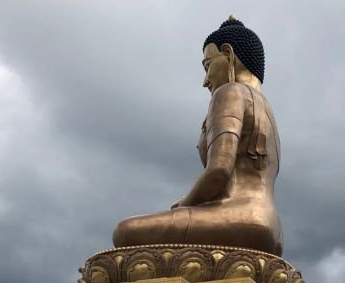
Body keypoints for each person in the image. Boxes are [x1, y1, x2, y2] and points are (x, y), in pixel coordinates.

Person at [112, 17, 283, 257]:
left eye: (207, 65)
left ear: (228, 54)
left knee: (124, 232)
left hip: (240, 217)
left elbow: (218, 172)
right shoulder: (268, 109)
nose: (205, 81)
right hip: (272, 228)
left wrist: (185, 205)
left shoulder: (230, 92)